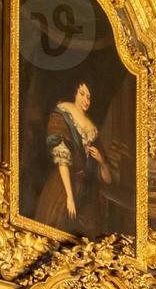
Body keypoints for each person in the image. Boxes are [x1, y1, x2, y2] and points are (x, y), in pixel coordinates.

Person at [33, 81, 113, 236]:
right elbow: (62, 159)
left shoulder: (93, 130)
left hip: (89, 194)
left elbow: (107, 179)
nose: (86, 100)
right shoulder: (61, 116)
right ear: (73, 93)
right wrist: (69, 197)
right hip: (64, 186)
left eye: (89, 97)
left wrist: (102, 161)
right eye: (82, 94)